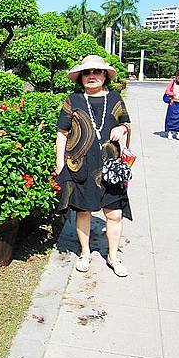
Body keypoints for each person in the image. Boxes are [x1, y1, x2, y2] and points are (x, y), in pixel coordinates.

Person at [55, 55, 132, 277]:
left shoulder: (115, 98)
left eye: (97, 72)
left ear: (105, 75)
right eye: (87, 73)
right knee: (84, 212)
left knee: (115, 214)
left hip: (111, 168)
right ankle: (85, 253)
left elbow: (126, 123)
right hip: (81, 166)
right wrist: (60, 164)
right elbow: (62, 133)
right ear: (80, 77)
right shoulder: (73, 100)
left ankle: (113, 257)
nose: (92, 76)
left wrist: (123, 129)